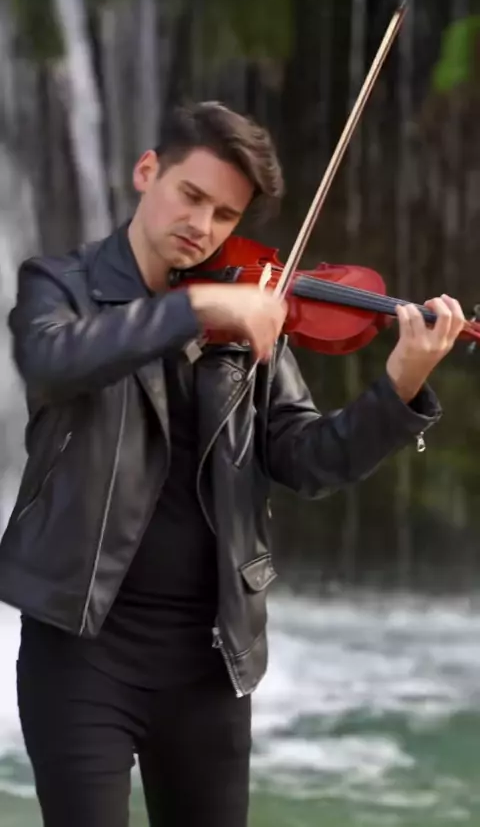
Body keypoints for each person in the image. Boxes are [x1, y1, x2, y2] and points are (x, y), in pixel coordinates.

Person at [0, 101, 465, 827]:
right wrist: (200, 309)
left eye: (225, 215)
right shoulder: (60, 285)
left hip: (211, 659)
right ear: (147, 172)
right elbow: (53, 361)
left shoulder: (255, 306)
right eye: (190, 196)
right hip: (81, 651)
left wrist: (398, 389)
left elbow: (308, 461)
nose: (203, 226)